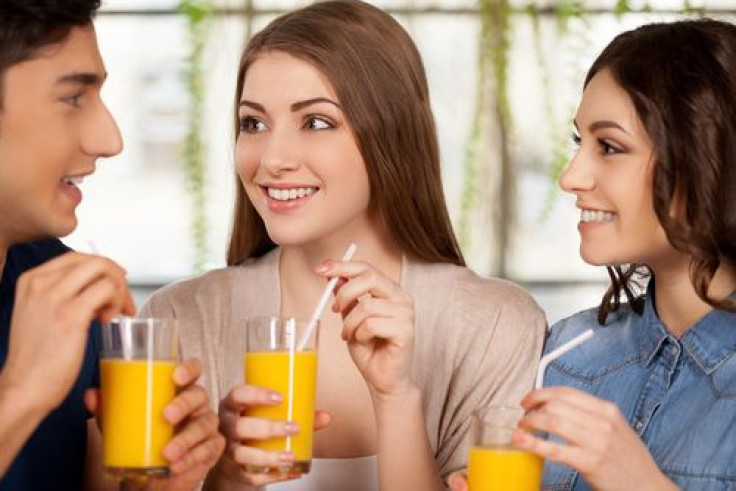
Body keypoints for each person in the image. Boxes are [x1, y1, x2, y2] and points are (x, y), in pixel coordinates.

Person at [140, 1, 547, 489]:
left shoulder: (495, 326)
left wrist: (397, 397)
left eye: (315, 122)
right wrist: (227, 477)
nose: (272, 158)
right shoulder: (179, 320)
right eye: (254, 123)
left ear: (391, 134)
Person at [450, 18, 736, 491]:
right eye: (579, 143)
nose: (570, 177)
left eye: (609, 147)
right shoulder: (565, 354)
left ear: (706, 160)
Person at [0, 1, 224, 489]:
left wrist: (162, 483)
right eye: (74, 97)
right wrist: (20, 394)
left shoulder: (67, 297)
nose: (111, 139)